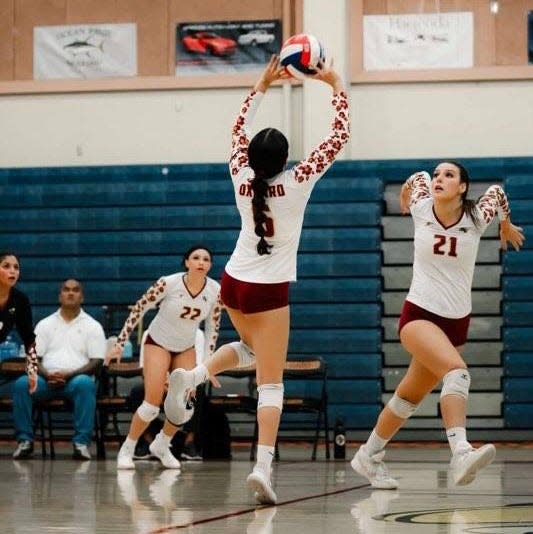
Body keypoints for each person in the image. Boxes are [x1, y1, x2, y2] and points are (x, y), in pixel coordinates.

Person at [164, 55, 350, 504]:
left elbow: (236, 129)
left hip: (232, 281)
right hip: (268, 291)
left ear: (250, 157)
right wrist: (335, 83)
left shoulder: (239, 174)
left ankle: (192, 375)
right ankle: (263, 468)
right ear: (287, 159)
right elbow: (339, 136)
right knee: (271, 383)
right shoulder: (300, 179)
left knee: (249, 350)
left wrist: (262, 85)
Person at [350, 162, 525, 489]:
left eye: (449, 175)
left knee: (408, 398)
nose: (439, 179)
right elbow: (415, 177)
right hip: (419, 316)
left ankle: (368, 455)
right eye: (438, 174)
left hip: (456, 324)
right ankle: (460, 451)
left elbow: (498, 194)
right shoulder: (420, 204)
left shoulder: (476, 217)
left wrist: (506, 225)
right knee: (457, 373)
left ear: (462, 187)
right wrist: (403, 195)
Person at [105, 245, 222, 470]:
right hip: (158, 342)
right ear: (186, 262)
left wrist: (209, 365)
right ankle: (127, 449)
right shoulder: (168, 283)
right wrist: (119, 343)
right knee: (151, 404)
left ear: (210, 265)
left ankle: (162, 443)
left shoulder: (216, 291)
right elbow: (139, 308)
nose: (201, 262)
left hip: (186, 347)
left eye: (206, 259)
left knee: (187, 405)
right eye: (196, 257)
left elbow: (212, 329)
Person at [12, 278, 106, 459]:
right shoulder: (45, 324)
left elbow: (97, 362)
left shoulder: (93, 326)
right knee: (22, 384)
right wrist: (47, 375)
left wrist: (70, 375)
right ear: (60, 295)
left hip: (76, 381)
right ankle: (25, 441)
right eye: (66, 289)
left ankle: (80, 443)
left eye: (75, 290)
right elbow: (33, 358)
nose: (70, 293)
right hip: (45, 380)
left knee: (86, 384)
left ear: (82, 297)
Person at [0, 252, 39, 394]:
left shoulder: (20, 300)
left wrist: (32, 369)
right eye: (6, 266)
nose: (12, 271)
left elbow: (29, 339)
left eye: (16, 267)